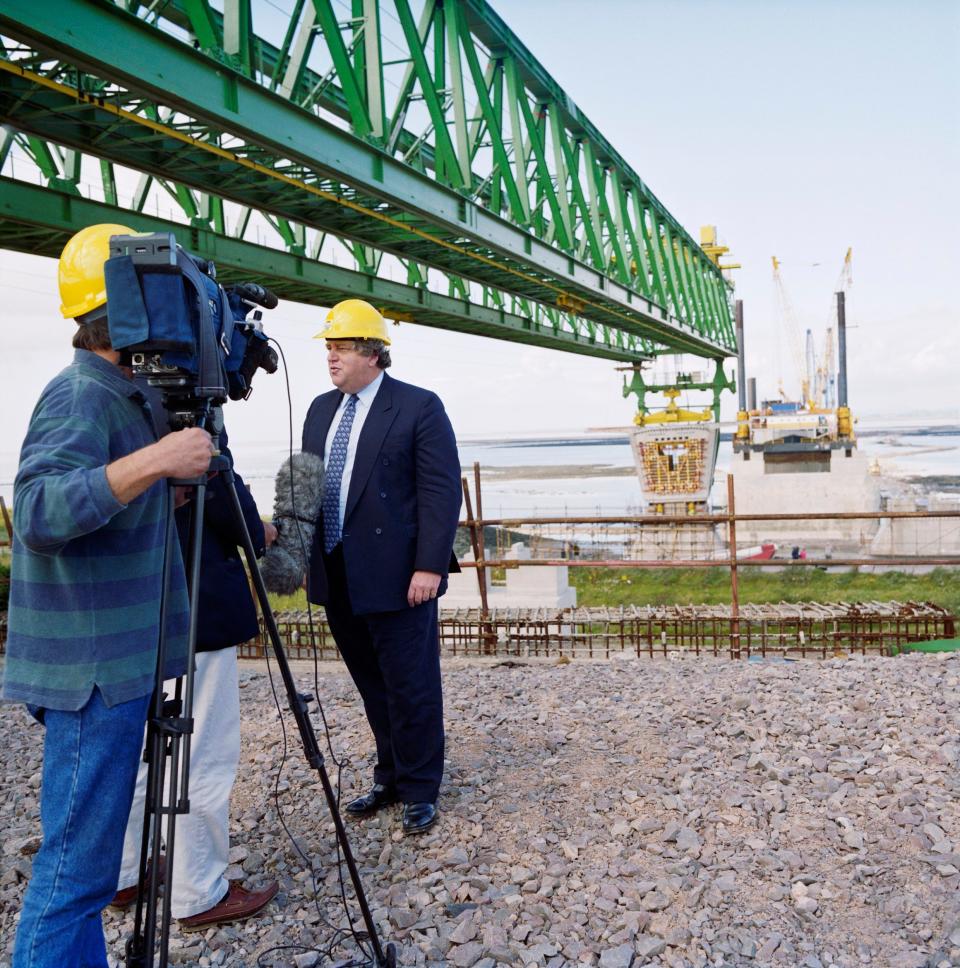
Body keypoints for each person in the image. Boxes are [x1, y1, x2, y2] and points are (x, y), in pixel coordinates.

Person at [2, 223, 215, 968]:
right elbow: (37, 512)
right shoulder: (81, 395)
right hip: (92, 673)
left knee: (84, 876)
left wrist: (166, 484)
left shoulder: (120, 394)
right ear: (129, 310)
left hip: (115, 664)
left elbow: (110, 504)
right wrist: (159, 458)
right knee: (72, 876)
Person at [112, 421, 280, 931]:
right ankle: (198, 891)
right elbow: (246, 529)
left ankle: (121, 873)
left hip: (131, 615)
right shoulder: (191, 430)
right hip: (196, 618)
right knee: (202, 754)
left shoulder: (121, 421)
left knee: (138, 753)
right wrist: (263, 529)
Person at [302, 299, 461, 836]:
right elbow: (306, 486)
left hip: (400, 576)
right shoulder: (321, 410)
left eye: (341, 347)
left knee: (411, 684)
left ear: (373, 353)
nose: (331, 357)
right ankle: (389, 776)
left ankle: (420, 788)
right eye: (328, 346)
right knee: (371, 683)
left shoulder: (418, 406)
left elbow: (440, 493)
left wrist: (430, 567)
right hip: (338, 571)